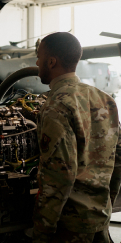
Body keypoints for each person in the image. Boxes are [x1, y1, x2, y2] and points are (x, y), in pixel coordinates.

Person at [33, 32, 121, 243]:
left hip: (70, 226)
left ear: (51, 61)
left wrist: (43, 229)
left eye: (39, 56)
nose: (36, 62)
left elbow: (60, 174)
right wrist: (105, 203)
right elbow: (117, 159)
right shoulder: (105, 98)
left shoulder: (57, 105)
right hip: (99, 219)